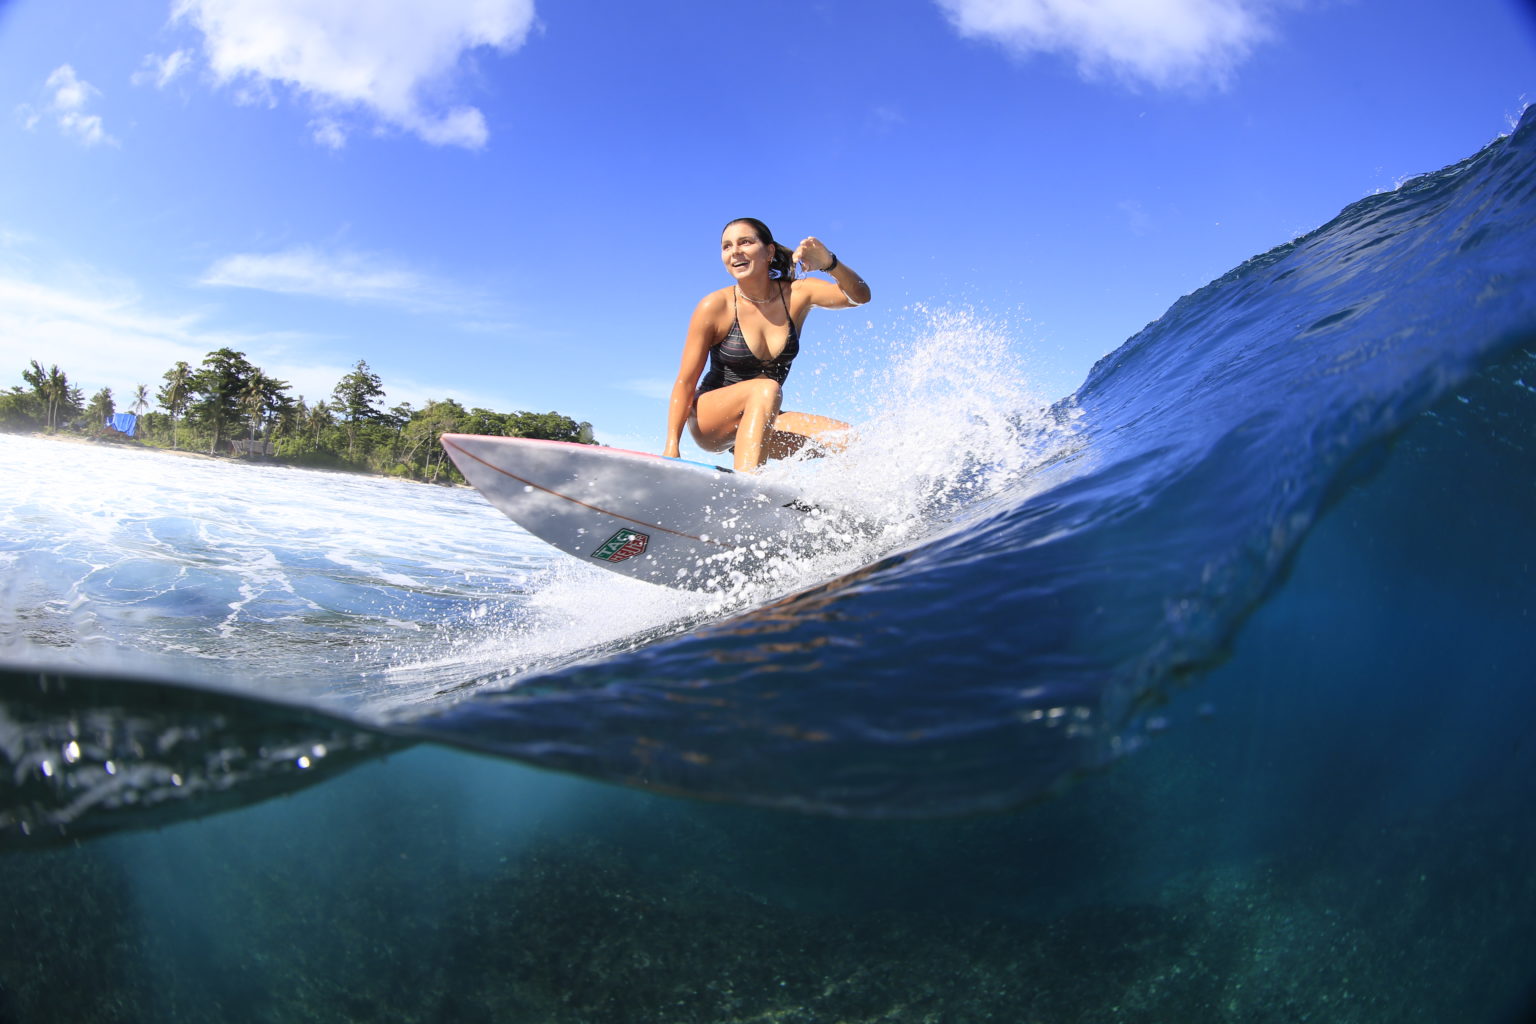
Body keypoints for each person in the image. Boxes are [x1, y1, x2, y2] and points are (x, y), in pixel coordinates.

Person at [663, 217, 872, 472]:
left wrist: (831, 264)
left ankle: (832, 503)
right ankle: (748, 487)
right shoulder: (715, 306)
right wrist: (671, 449)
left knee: (849, 439)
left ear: (769, 251)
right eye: (726, 246)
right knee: (765, 389)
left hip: (761, 420)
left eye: (745, 242)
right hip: (710, 420)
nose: (735, 251)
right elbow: (685, 381)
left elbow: (860, 297)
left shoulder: (797, 294)